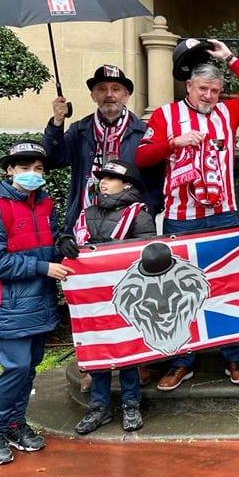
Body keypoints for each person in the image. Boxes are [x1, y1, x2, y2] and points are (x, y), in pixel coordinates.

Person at [135, 39, 239, 390]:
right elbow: (142, 157)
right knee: (179, 289)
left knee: (226, 284)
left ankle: (234, 356)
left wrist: (229, 58)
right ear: (189, 87)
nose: (209, 95)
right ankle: (182, 361)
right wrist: (172, 144)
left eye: (214, 89)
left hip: (223, 213)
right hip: (182, 215)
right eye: (203, 89)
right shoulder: (166, 115)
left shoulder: (228, 111)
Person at [0, 141, 78, 465]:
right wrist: (43, 267)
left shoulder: (45, 204)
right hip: (9, 304)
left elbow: (46, 246)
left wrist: (61, 246)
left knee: (29, 368)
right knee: (15, 367)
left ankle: (15, 424)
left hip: (40, 302)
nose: (32, 174)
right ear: (9, 170)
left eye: (38, 169)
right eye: (24, 168)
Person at [72, 159, 156, 435]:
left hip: (128, 295)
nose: (103, 182)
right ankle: (99, 407)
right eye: (102, 178)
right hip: (94, 296)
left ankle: (131, 403)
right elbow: (79, 244)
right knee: (98, 348)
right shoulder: (88, 212)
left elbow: (147, 254)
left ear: (127, 184)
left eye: (110, 178)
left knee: (128, 350)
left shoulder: (139, 214)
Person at [44, 65, 162, 234]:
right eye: (101, 89)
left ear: (126, 95)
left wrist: (149, 210)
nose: (109, 95)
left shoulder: (143, 132)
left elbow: (156, 180)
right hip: (85, 221)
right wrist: (57, 122)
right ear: (93, 95)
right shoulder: (79, 130)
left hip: (130, 223)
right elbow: (53, 160)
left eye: (116, 89)